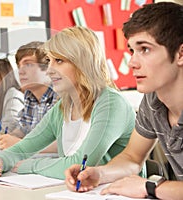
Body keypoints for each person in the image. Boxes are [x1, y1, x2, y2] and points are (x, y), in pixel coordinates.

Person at [0, 26, 137, 180]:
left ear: (82, 63)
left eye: (59, 61)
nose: (49, 70)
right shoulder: (63, 107)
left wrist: (30, 166)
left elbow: (80, 165)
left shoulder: (111, 104)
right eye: (49, 61)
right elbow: (24, 147)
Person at [64, 2, 183, 200]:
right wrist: (100, 174)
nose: (133, 63)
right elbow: (132, 157)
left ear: (180, 54)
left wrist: (151, 187)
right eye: (132, 51)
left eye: (145, 49)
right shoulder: (153, 101)